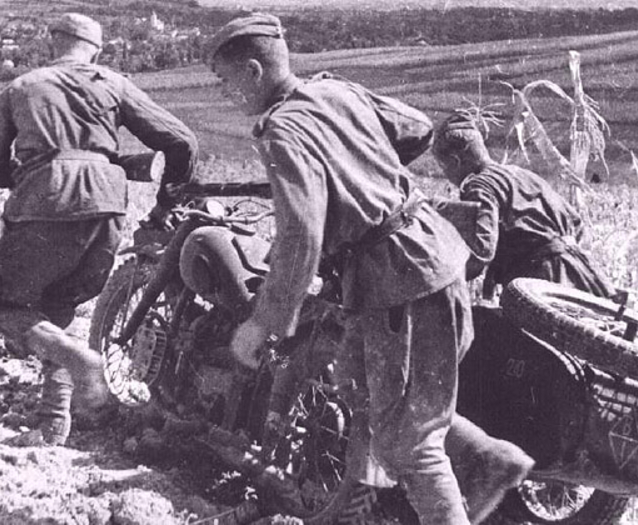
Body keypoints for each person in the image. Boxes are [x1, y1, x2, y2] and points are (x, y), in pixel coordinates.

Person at [206, 13, 533, 524]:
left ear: (253, 71)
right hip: (428, 255)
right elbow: (417, 128)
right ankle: (486, 457)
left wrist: (264, 322)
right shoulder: (336, 91)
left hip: (398, 279)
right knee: (357, 380)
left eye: (225, 81)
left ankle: (483, 467)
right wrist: (363, 163)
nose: (223, 94)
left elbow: (301, 237)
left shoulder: (282, 131)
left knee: (409, 445)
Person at [0, 12, 199, 446]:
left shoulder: (23, 86)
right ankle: (54, 420)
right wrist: (166, 205)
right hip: (108, 206)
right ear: (96, 50)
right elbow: (181, 142)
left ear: (54, 41)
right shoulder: (112, 83)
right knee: (56, 305)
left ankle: (81, 360)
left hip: (47, 203)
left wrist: (20, 172)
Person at [432, 109, 614, 299]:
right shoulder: (522, 174)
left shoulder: (480, 185)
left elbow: (482, 251)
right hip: (581, 274)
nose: (447, 175)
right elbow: (577, 224)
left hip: (540, 283)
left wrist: (441, 278)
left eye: (444, 168)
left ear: (455, 161)